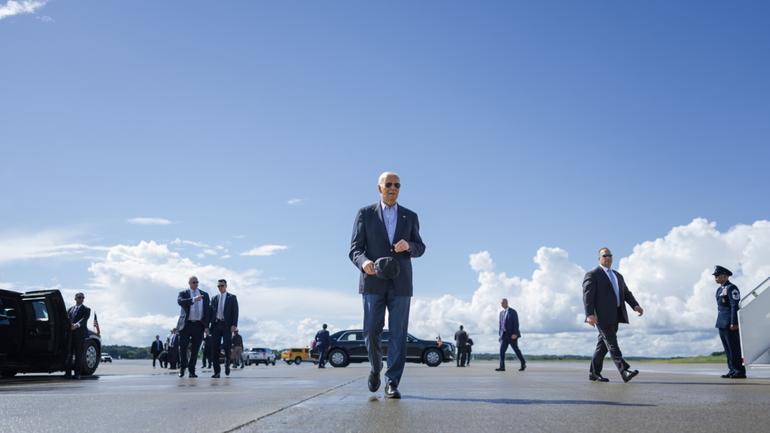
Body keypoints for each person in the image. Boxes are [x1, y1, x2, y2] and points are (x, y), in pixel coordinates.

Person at [349, 171, 426, 399]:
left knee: (398, 334)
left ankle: (392, 381)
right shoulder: (365, 214)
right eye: (389, 184)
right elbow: (355, 249)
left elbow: (421, 247)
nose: (393, 188)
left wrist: (409, 246)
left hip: (401, 284)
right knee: (371, 331)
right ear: (379, 188)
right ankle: (375, 367)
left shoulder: (410, 216)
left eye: (397, 185)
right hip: (373, 282)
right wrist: (364, 263)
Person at [583, 247, 644, 383]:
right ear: (599, 258)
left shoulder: (618, 275)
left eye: (610, 255)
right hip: (601, 316)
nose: (608, 258)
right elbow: (588, 296)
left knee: (603, 345)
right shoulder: (593, 274)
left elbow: (626, 293)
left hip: (616, 314)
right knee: (612, 343)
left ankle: (594, 373)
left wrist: (635, 305)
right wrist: (589, 314)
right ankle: (624, 371)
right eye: (604, 256)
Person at [713, 265, 746, 379]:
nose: (715, 278)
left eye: (717, 276)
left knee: (734, 348)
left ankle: (739, 371)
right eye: (715, 276)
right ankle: (732, 370)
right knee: (727, 349)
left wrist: (734, 322)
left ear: (725, 276)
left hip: (730, 323)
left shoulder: (732, 288)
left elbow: (734, 305)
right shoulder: (719, 289)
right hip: (721, 323)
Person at [177, 276, 211, 378]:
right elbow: (180, 302)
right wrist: (193, 299)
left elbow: (207, 311)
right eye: (193, 282)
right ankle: (182, 368)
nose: (195, 284)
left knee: (195, 350)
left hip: (198, 325)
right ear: (189, 283)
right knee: (183, 349)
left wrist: (206, 326)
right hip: (186, 325)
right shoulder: (183, 293)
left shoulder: (204, 294)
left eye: (197, 282)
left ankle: (192, 370)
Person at [209, 279, 238, 378]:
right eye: (218, 286)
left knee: (226, 346)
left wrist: (234, 324)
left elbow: (235, 312)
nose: (220, 287)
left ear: (226, 286)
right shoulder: (214, 298)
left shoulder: (232, 297)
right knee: (215, 348)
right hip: (216, 325)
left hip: (227, 325)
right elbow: (210, 313)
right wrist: (207, 326)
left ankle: (227, 363)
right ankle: (216, 372)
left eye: (222, 285)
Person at [65, 292, 91, 379]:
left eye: (83, 298)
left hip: (80, 336)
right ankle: (68, 373)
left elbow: (84, 319)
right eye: (79, 297)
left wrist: (76, 325)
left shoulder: (87, 309)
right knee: (69, 354)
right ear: (75, 298)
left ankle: (77, 374)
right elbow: (66, 320)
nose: (81, 299)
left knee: (79, 355)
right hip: (70, 335)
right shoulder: (70, 309)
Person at [496, 298, 525, 372]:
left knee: (516, 350)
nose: (501, 304)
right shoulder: (501, 313)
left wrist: (515, 333)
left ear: (506, 303)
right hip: (504, 335)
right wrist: (500, 335)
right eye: (501, 303)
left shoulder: (513, 312)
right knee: (501, 351)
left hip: (512, 335)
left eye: (502, 303)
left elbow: (516, 323)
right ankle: (502, 367)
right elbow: (501, 325)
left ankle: (523, 363)